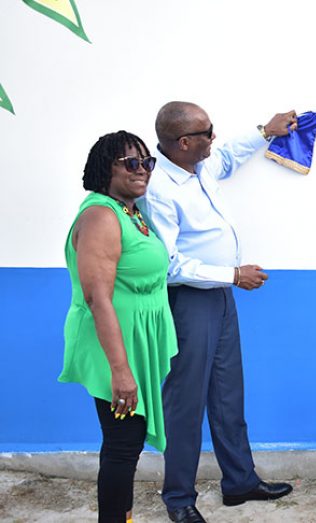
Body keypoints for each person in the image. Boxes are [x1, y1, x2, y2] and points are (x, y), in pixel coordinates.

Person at [141, 102, 297, 523]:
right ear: (185, 142)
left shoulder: (199, 165)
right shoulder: (159, 190)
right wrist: (232, 274)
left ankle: (240, 482)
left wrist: (266, 131)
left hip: (221, 298)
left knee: (228, 394)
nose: (215, 138)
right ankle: (178, 499)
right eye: (208, 132)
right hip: (191, 302)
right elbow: (169, 266)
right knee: (185, 404)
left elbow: (226, 157)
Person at [60, 131, 178, 523]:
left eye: (147, 162)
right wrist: (121, 370)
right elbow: (97, 298)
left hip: (134, 341)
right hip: (113, 347)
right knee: (122, 445)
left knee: (126, 442)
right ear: (104, 169)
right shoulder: (100, 216)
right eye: (131, 163)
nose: (142, 169)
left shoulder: (131, 210)